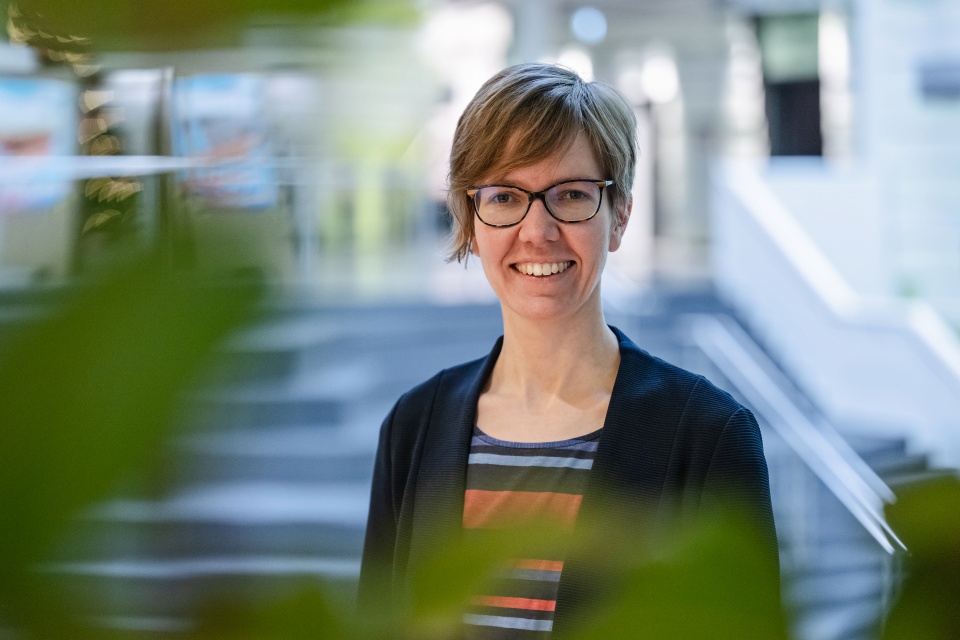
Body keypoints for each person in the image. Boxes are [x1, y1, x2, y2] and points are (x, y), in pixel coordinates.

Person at [358, 62, 777, 637]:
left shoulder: (707, 436)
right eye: (506, 196)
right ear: (471, 216)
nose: (537, 231)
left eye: (571, 194)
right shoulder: (413, 426)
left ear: (620, 214)